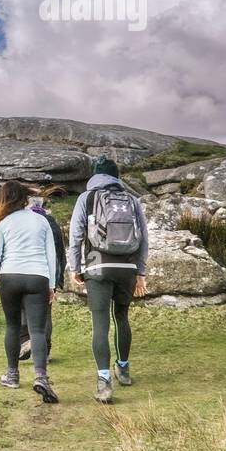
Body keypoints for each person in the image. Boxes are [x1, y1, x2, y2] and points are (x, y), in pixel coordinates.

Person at [68, 156, 148, 404]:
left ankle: (104, 383)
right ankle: (123, 369)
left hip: (97, 265)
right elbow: (143, 238)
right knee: (121, 317)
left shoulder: (87, 198)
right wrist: (140, 272)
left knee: (100, 322)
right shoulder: (132, 200)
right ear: (116, 176)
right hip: (127, 267)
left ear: (95, 175)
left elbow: (76, 235)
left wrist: (75, 268)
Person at [0, 179, 59, 403]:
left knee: (13, 326)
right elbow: (50, 255)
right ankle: (41, 377)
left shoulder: (2, 224)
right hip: (38, 277)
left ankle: (12, 375)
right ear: (24, 198)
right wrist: (51, 285)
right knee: (38, 331)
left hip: (10, 277)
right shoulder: (41, 221)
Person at [18, 185, 67, 361]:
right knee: (45, 312)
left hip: (23, 272)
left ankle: (25, 343)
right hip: (47, 275)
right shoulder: (50, 221)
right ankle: (44, 352)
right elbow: (60, 251)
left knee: (22, 308)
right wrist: (58, 279)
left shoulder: (19, 220)